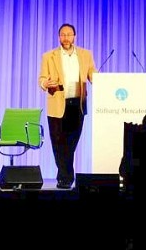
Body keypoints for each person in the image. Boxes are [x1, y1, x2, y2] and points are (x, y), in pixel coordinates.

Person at [38, 23, 96, 189]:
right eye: (63, 34)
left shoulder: (86, 54)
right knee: (58, 142)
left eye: (69, 34)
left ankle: (65, 177)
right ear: (59, 37)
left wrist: (102, 82)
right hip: (57, 102)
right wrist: (45, 83)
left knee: (71, 142)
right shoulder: (49, 56)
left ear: (74, 36)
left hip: (77, 102)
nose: (66, 37)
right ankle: (65, 177)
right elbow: (41, 78)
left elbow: (93, 73)